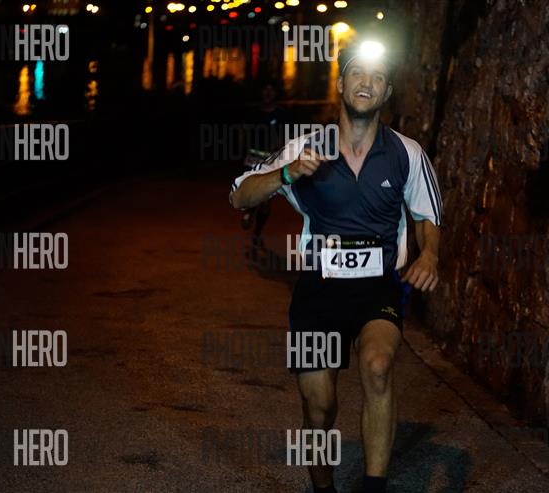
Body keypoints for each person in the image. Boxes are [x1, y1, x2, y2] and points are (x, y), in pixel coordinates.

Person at [229, 41, 443, 493]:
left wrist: (429, 255)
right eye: (358, 73)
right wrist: (286, 174)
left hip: (378, 287)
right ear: (342, 84)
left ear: (387, 93)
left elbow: (427, 215)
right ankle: (323, 488)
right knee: (319, 406)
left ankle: (374, 487)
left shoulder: (407, 153)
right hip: (318, 291)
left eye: (378, 77)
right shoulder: (305, 147)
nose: (367, 83)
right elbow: (239, 195)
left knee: (378, 366)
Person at [240, 80, 289, 241]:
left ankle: (257, 233)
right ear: (260, 93)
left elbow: (286, 137)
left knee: (266, 201)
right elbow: (244, 132)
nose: (268, 93)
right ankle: (249, 212)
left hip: (272, 160)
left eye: (271, 90)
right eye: (265, 89)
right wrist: (243, 149)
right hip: (252, 159)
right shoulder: (253, 113)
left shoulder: (281, 115)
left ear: (275, 93)